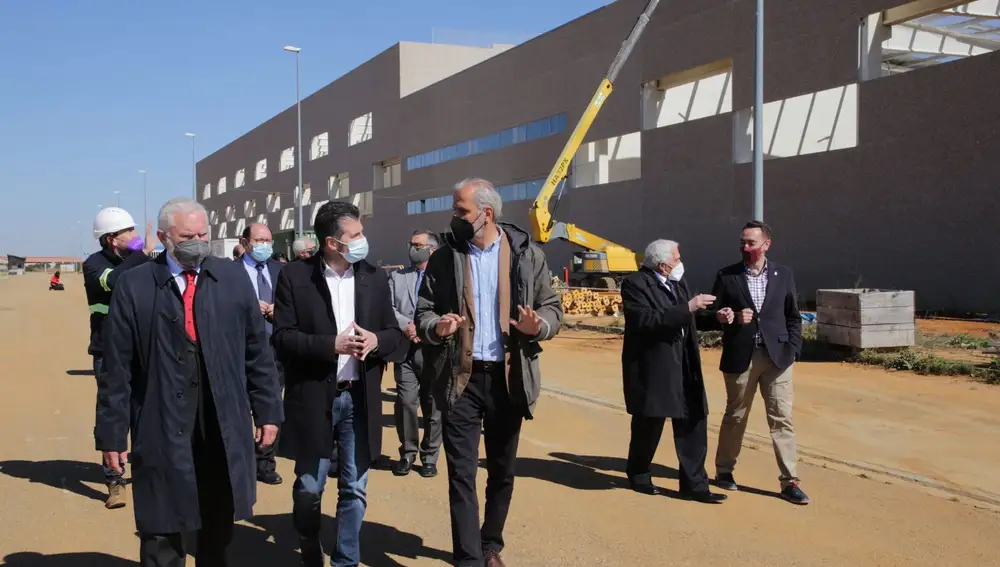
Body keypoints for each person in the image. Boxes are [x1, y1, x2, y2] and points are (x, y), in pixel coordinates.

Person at [96, 197, 284, 566]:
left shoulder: (231, 278)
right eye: (187, 236)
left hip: (220, 420)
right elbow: (116, 370)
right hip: (159, 420)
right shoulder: (135, 287)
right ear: (165, 237)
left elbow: (256, 352)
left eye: (203, 233)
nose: (198, 241)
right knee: (161, 529)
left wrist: (268, 411)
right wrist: (112, 435)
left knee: (217, 526)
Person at [415, 178, 563, 567]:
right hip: (459, 378)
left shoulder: (526, 255)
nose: (454, 217)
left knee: (501, 470)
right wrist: (437, 328)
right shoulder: (446, 257)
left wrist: (538, 326)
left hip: (507, 379)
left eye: (460, 210)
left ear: (486, 213)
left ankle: (490, 545)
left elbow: (552, 307)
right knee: (461, 473)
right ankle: (468, 558)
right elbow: (424, 310)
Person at [272, 201, 404, 567]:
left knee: (355, 488)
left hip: (359, 398)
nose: (364, 240)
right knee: (310, 488)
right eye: (356, 235)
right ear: (332, 242)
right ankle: (307, 536)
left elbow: (394, 333)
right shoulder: (296, 278)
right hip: (314, 397)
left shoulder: (374, 278)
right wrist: (331, 345)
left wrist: (377, 340)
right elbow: (282, 338)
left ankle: (344, 560)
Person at [620, 239, 726, 503]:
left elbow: (689, 317)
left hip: (685, 362)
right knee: (650, 421)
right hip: (654, 366)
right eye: (677, 259)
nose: (681, 263)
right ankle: (639, 473)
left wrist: (716, 317)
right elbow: (645, 320)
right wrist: (688, 306)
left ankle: (695, 485)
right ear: (664, 265)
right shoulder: (636, 284)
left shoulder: (678, 284)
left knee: (693, 420)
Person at [710, 220, 808, 505]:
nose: (745, 247)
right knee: (736, 417)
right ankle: (724, 471)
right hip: (741, 357)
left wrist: (793, 350)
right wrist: (723, 316)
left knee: (782, 420)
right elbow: (709, 314)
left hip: (778, 358)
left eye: (751, 243)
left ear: (766, 245)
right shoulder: (727, 276)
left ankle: (789, 481)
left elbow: (792, 316)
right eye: (742, 242)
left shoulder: (783, 274)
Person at [83, 206, 155, 509]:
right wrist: (144, 253)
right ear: (113, 238)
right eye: (130, 232)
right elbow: (114, 282)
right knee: (113, 413)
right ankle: (114, 478)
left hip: (143, 350)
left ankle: (144, 471)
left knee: (145, 411)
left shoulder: (139, 261)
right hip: (108, 352)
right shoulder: (94, 265)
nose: (136, 237)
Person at [388, 230, 442, 478]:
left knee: (433, 406)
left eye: (417, 245)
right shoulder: (397, 277)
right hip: (406, 350)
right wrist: (406, 326)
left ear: (432, 249)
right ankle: (407, 452)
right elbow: (387, 307)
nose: (412, 248)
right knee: (406, 402)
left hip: (434, 350)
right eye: (411, 244)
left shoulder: (446, 277)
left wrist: (427, 328)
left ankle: (430, 456)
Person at [238, 223, 285, 485]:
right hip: (241, 350)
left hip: (274, 351)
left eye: (268, 240)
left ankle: (265, 461)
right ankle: (243, 460)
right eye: (258, 240)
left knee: (271, 406)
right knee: (241, 407)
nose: (264, 245)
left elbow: (294, 307)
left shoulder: (281, 271)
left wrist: (281, 311)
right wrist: (248, 306)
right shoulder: (230, 273)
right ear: (245, 242)